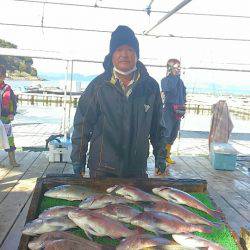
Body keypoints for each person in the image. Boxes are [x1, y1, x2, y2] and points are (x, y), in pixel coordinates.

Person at [71, 25, 166, 178]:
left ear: (136, 55)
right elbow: (82, 125)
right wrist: (78, 159)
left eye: (130, 50)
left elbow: (157, 127)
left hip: (137, 170)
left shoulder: (151, 87)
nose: (124, 54)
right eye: (119, 49)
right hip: (102, 169)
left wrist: (160, 156)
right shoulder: (98, 86)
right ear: (112, 55)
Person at [161, 59, 186, 164]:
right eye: (176, 67)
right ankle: (161, 158)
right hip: (168, 110)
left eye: (179, 67)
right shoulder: (165, 80)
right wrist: (175, 77)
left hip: (178, 111)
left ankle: (167, 156)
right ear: (170, 68)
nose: (179, 69)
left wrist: (183, 107)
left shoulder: (181, 82)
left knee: (173, 134)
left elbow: (184, 94)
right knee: (166, 133)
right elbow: (169, 89)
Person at [0, 64, 20, 167]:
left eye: (1, 75)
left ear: (4, 76)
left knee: (9, 139)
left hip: (5, 118)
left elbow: (13, 102)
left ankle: (12, 161)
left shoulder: (8, 88)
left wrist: (12, 113)